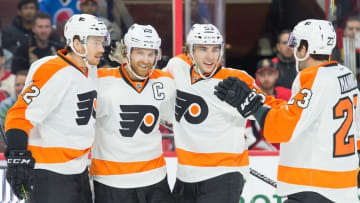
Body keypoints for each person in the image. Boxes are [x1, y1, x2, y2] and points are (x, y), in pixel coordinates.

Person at [215, 19, 359, 203]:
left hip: (315, 188)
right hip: (344, 188)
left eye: (297, 45)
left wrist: (253, 107)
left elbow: (282, 128)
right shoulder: (345, 75)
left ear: (305, 49)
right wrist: (259, 100)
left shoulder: (312, 77)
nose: (294, 51)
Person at [164, 24, 283, 203]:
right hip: (185, 176)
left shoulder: (236, 80)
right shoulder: (177, 66)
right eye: (203, 49)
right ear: (190, 51)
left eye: (215, 49)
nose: (210, 56)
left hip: (224, 174)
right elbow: (155, 87)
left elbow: (274, 110)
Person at [4, 14, 109, 202]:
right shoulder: (51, 70)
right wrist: (17, 156)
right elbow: (19, 114)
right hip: (50, 175)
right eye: (96, 43)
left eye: (102, 42)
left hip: (79, 171)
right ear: (77, 44)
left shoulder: (89, 69)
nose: (102, 49)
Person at [90, 23, 174, 203]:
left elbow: (173, 119)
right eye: (140, 53)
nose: (146, 60)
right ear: (127, 52)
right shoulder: (100, 81)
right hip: (111, 183)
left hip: (156, 180)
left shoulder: (165, 82)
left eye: (151, 53)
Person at [246, 58, 291, 150]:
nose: (266, 78)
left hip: (286, 151)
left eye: (270, 74)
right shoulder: (249, 99)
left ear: (276, 75)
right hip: (260, 154)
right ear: (256, 76)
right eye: (262, 74)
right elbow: (248, 133)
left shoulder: (288, 95)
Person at [0, 70, 27, 153]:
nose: (20, 88)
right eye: (17, 85)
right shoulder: (5, 105)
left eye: (24, 85)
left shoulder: (37, 106)